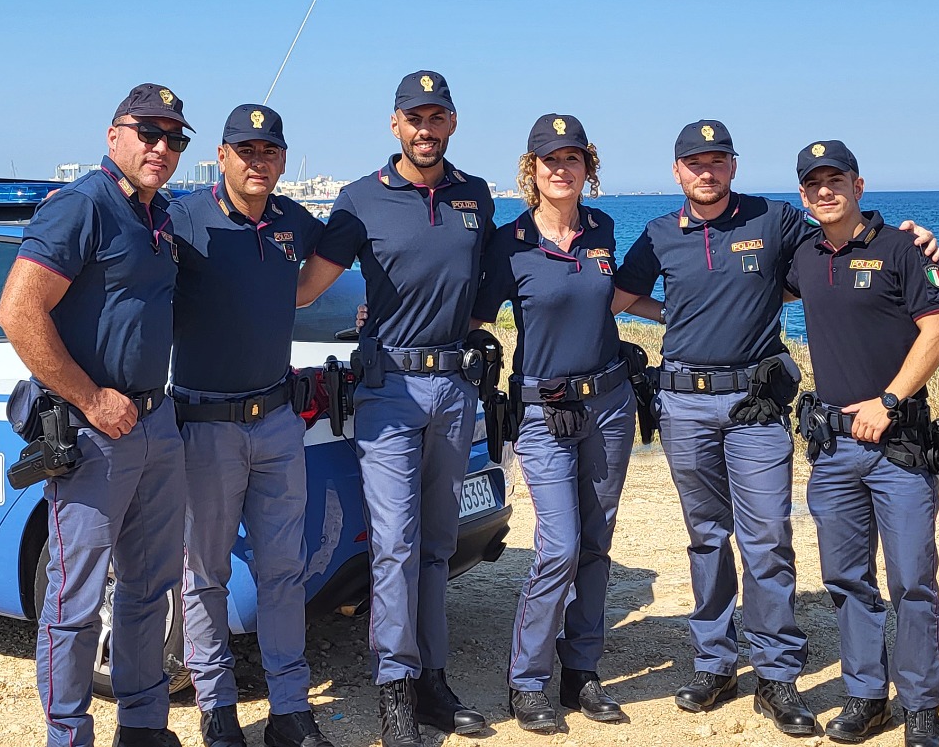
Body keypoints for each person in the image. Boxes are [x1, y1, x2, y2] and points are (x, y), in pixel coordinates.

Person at [611, 120, 939, 738]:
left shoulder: (774, 220)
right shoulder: (658, 234)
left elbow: (840, 232)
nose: (705, 172)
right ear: (676, 171)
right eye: (694, 163)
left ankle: (776, 674)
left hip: (755, 407)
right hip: (683, 404)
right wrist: (676, 313)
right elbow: (621, 300)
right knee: (706, 538)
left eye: (717, 161)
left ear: (733, 167)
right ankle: (715, 663)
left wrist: (915, 237)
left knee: (766, 540)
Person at [295, 71, 495, 747]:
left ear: (453, 123)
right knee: (396, 546)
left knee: (438, 544)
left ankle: (433, 681)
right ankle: (394, 693)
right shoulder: (358, 199)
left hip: (453, 388)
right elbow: (303, 291)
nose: (425, 128)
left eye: (436, 117)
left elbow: (480, 289)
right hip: (388, 393)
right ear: (395, 124)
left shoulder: (476, 195)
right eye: (414, 117)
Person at [0, 83, 191, 747]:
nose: (161, 147)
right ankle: (67, 734)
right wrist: (89, 396)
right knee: (75, 600)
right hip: (93, 432)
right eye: (149, 132)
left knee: (148, 588)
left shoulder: (159, 215)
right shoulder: (83, 205)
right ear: (115, 136)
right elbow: (18, 313)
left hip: (155, 422)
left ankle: (141, 726)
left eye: (174, 138)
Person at [167, 104, 334, 747]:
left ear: (283, 158)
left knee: (281, 570)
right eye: (246, 150)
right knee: (205, 573)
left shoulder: (294, 220)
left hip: (277, 423)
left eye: (270, 152)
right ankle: (217, 709)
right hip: (205, 426)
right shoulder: (182, 219)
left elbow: (327, 267)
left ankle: (291, 711)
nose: (258, 162)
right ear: (222, 154)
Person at [785, 140, 939, 747]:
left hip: (899, 446)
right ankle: (865, 696)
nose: (824, 191)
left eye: (836, 180)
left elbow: (938, 333)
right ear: (802, 195)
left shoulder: (906, 248)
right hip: (832, 448)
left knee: (912, 579)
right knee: (847, 579)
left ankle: (922, 705)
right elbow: (747, 285)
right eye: (813, 184)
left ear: (860, 185)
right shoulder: (802, 254)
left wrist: (888, 402)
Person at [476, 114, 634, 731]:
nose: (561, 169)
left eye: (573, 159)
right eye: (550, 160)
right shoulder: (509, 240)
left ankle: (582, 673)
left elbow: (619, 296)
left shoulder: (603, 230)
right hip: (543, 411)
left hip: (612, 404)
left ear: (587, 168)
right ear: (532, 169)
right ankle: (529, 681)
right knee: (558, 548)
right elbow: (474, 316)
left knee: (596, 543)